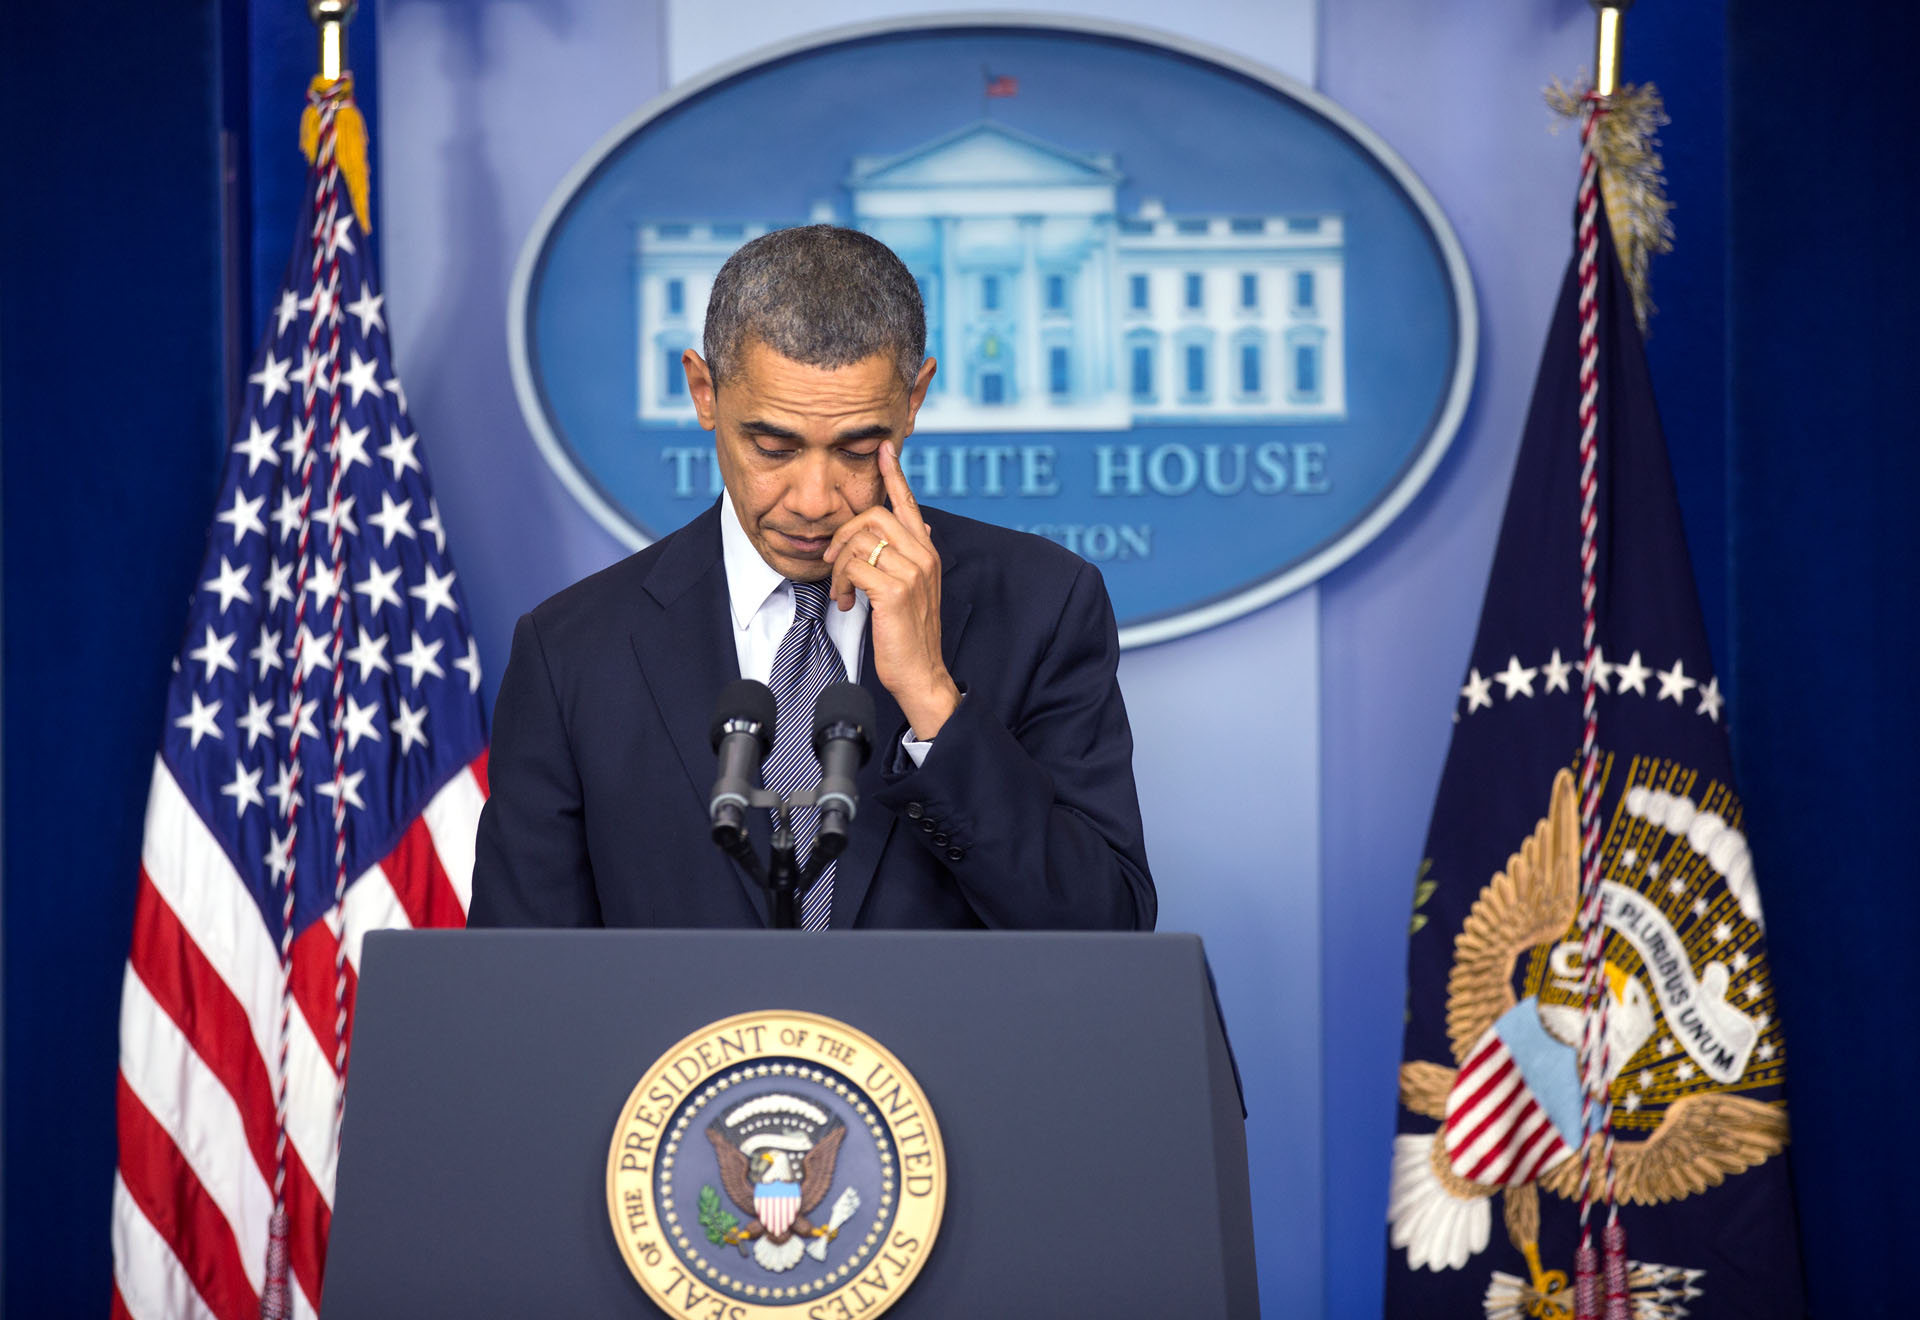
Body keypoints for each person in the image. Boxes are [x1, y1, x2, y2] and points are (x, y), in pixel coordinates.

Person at [469, 225, 1154, 931]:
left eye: (859, 449)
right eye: (773, 446)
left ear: (914, 400)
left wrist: (931, 698)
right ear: (704, 392)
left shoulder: (1044, 605)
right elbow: (521, 987)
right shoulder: (573, 650)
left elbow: (1108, 933)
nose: (814, 499)